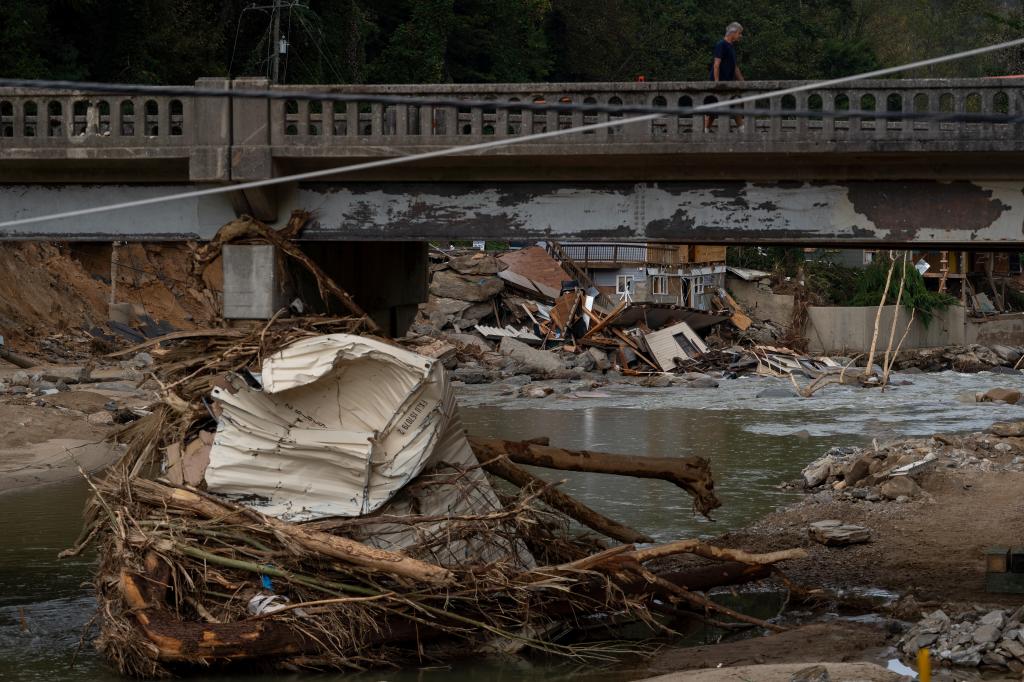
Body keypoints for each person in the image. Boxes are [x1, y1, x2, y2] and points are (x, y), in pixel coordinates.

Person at [704, 22, 745, 134]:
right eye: (739, 33)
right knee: (711, 110)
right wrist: (716, 83)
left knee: (735, 106)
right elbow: (716, 64)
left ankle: (743, 130)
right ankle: (705, 131)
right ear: (733, 32)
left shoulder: (731, 47)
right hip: (718, 82)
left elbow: (735, 67)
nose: (740, 36)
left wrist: (743, 82)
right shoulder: (721, 44)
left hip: (728, 83)